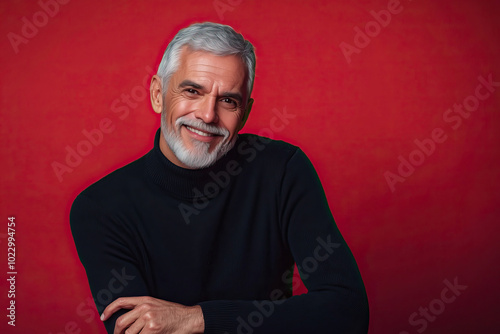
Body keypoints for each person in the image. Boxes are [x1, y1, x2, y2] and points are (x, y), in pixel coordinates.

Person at [70, 22, 369, 334]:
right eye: (192, 91)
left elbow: (347, 313)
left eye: (228, 100)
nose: (208, 115)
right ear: (158, 95)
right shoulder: (99, 208)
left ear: (245, 114)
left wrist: (197, 319)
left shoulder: (282, 171)